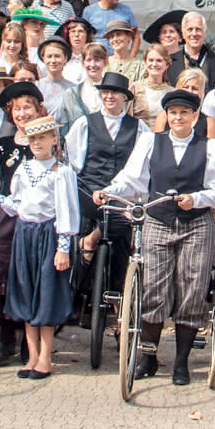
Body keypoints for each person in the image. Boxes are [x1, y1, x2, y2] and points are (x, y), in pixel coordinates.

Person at [95, 87, 215, 384]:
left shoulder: (210, 148)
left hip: (196, 223)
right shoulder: (150, 141)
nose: (178, 118)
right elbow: (131, 178)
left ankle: (181, 362)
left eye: (185, 113)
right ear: (166, 116)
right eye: (173, 113)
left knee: (193, 289)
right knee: (153, 287)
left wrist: (196, 199)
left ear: (196, 116)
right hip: (158, 220)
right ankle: (148, 356)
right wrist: (109, 191)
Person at [0, 114, 77, 379]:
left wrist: (63, 247)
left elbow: (66, 212)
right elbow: (17, 204)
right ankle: (32, 355)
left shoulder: (62, 172)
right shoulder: (24, 169)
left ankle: (46, 357)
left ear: (53, 140)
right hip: (24, 234)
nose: (37, 143)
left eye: (42, 138)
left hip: (48, 233)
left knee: (46, 293)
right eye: (33, 138)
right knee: (25, 290)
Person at [0, 79, 43, 369]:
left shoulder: (49, 141)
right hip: (5, 217)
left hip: (37, 218)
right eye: (16, 109)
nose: (22, 113)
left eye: (27, 107)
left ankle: (31, 346)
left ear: (37, 110)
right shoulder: (3, 144)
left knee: (30, 279)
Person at [65, 71, 149, 287]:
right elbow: (73, 163)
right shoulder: (84, 123)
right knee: (117, 218)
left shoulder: (139, 128)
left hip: (122, 194)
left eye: (115, 92)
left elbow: (141, 166)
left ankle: (117, 291)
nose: (110, 96)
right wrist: (87, 189)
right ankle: (80, 293)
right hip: (88, 190)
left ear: (125, 98)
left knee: (124, 223)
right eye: (106, 92)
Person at [36, 34, 86, 126]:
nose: (53, 60)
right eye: (49, 56)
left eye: (57, 56)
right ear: (43, 58)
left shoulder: (73, 88)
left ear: (65, 58)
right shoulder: (36, 86)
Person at [171, 11, 215, 92]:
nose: (194, 33)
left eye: (198, 29)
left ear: (204, 33)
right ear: (183, 34)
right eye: (190, 29)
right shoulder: (169, 62)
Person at [131, 43, 175, 128]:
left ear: (167, 64)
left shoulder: (173, 92)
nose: (154, 64)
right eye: (151, 60)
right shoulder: (135, 88)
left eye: (159, 60)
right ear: (144, 63)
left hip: (164, 139)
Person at [59, 16, 94, 84]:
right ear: (68, 35)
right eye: (73, 31)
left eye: (80, 31)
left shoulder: (94, 57)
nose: (76, 35)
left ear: (87, 35)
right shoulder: (62, 57)